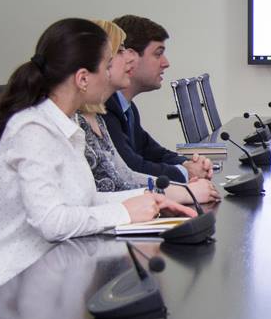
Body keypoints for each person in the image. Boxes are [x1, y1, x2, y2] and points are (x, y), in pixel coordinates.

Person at [0, 18, 194, 290]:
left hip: (49, 279)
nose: (110, 76)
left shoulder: (67, 123)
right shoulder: (33, 130)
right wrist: (124, 211)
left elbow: (85, 200)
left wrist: (148, 198)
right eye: (107, 67)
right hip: (6, 287)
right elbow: (52, 222)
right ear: (83, 78)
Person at [77, 20, 219, 205]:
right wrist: (183, 190)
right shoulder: (82, 119)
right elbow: (114, 185)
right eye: (120, 51)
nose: (130, 59)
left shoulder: (99, 118)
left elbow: (127, 174)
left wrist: (185, 169)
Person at [103, 15, 212, 183]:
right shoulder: (105, 108)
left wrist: (186, 163)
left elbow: (151, 151)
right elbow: (131, 167)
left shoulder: (127, 107)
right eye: (158, 54)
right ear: (131, 57)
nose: (166, 63)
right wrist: (186, 172)